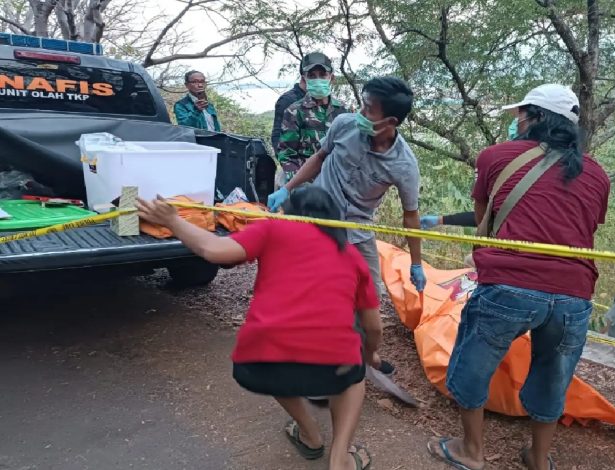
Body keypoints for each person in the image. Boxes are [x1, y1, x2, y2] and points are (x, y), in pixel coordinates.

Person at [426, 84, 610, 470]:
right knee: (553, 377)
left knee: (472, 365)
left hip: (509, 285)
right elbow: (584, 225)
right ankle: (538, 460)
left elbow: (483, 218)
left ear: (538, 117)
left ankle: (471, 451)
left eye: (521, 114)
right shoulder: (597, 173)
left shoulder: (496, 156)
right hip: (574, 293)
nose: (517, 122)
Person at [135, 185, 381, 470]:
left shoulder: (273, 229)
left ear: (289, 212)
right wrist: (370, 354)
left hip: (262, 362)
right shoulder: (351, 255)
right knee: (354, 375)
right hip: (333, 362)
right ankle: (341, 459)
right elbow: (373, 326)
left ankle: (310, 435)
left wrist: (173, 221)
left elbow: (213, 250)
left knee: (277, 365)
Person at [266, 76, 427, 296]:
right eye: (362, 104)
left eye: (369, 110)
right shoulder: (344, 125)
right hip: (316, 218)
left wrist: (416, 263)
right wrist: (287, 188)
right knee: (301, 288)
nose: (360, 113)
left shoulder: (403, 165)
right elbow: (320, 157)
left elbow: (410, 215)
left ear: (391, 122)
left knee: (369, 297)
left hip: (357, 230)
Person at [277, 52, 347, 183]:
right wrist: (298, 183)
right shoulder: (294, 112)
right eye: (312, 76)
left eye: (322, 75)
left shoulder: (344, 111)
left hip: (338, 181)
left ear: (331, 77)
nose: (318, 79)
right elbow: (287, 154)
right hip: (305, 181)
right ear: (304, 79)